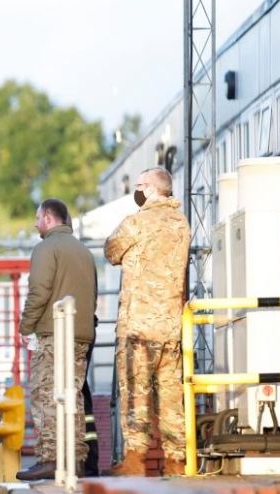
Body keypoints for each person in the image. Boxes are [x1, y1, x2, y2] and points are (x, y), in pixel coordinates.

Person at [104, 167, 191, 476]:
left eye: (141, 185)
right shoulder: (182, 224)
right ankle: (176, 462)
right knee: (170, 395)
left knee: (135, 392)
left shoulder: (136, 223)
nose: (137, 191)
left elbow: (111, 251)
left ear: (153, 190)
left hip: (139, 325)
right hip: (171, 326)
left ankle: (134, 461)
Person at [16, 199, 97, 481]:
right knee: (71, 396)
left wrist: (25, 326)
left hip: (53, 333)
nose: (35, 223)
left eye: (37, 217)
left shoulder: (46, 248)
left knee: (46, 394)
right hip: (81, 334)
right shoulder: (84, 252)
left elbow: (39, 292)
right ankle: (75, 459)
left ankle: (50, 458)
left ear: (49, 218)